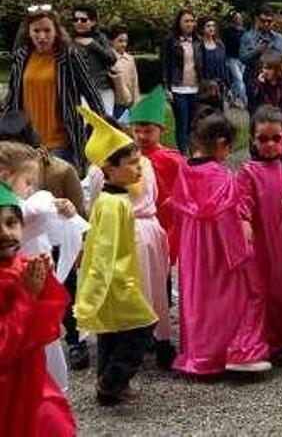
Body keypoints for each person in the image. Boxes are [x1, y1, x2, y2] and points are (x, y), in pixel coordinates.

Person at [172, 110, 271, 375]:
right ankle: (230, 352)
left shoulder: (184, 173)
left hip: (193, 249)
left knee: (198, 299)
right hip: (217, 250)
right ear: (220, 144)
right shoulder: (221, 177)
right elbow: (228, 221)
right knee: (227, 299)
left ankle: (198, 354)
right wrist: (243, 254)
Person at [74, 106, 157, 405]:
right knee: (143, 325)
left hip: (118, 280)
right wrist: (97, 289)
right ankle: (113, 380)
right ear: (109, 167)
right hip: (118, 282)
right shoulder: (112, 204)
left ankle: (107, 386)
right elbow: (105, 250)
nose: (138, 169)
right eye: (132, 164)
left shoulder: (115, 198)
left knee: (111, 330)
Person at [81, 114, 175, 371]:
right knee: (153, 291)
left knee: (133, 294)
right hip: (147, 230)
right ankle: (156, 344)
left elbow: (92, 209)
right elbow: (154, 196)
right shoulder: (142, 163)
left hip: (133, 234)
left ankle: (123, 354)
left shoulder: (100, 173)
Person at [0, 182, 77, 436]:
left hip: (31, 380)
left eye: (11, 223)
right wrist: (29, 295)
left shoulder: (22, 266)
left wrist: (45, 285)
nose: (5, 233)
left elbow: (45, 330)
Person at [238, 106, 282, 356]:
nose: (269, 145)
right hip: (265, 239)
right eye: (263, 139)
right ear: (252, 140)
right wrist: (244, 221)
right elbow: (243, 200)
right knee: (270, 286)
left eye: (276, 139)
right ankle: (273, 336)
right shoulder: (249, 171)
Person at [3, 5, 104, 171]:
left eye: (47, 30)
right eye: (36, 31)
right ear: (28, 32)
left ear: (56, 30)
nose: (42, 36)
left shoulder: (70, 56)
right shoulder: (21, 57)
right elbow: (12, 98)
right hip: (27, 146)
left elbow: (91, 93)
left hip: (61, 145)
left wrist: (103, 127)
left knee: (60, 195)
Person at [127, 87, 185, 267]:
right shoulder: (125, 159)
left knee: (161, 271)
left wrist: (174, 201)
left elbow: (186, 191)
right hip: (135, 226)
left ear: (162, 130)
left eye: (148, 131)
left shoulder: (174, 160)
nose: (142, 136)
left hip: (165, 225)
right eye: (137, 131)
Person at [160, 9, 203, 154]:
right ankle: (183, 154)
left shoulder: (198, 40)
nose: (189, 24)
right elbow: (165, 65)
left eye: (192, 21)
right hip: (178, 88)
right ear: (179, 22)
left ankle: (193, 153)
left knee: (194, 123)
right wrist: (166, 88)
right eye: (186, 21)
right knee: (182, 123)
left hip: (195, 88)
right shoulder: (170, 40)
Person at [71, 4, 117, 116]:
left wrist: (92, 44)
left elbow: (112, 58)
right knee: (85, 124)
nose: (79, 23)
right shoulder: (69, 40)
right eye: (75, 19)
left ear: (93, 22)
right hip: (81, 91)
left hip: (103, 88)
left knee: (106, 122)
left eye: (83, 20)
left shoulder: (100, 37)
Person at [240, 5, 282, 104]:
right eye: (263, 21)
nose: (266, 24)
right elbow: (243, 58)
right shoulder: (248, 37)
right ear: (257, 19)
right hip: (254, 82)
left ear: (273, 21)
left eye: (269, 21)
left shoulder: (280, 39)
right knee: (255, 114)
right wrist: (258, 50)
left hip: (276, 84)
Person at [251, 52, 282, 126]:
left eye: (269, 68)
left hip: (281, 121)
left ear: (277, 70)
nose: (266, 72)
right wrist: (260, 85)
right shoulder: (258, 84)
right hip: (265, 121)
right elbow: (255, 104)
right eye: (264, 68)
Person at [107, 24, 139, 121]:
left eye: (125, 41)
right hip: (113, 104)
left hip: (128, 104)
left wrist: (136, 102)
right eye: (120, 41)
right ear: (112, 41)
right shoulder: (108, 58)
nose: (124, 44)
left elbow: (135, 82)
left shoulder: (130, 59)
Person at [198, 17, 230, 105]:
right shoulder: (199, 47)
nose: (211, 28)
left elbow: (224, 66)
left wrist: (228, 86)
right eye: (208, 26)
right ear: (202, 29)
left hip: (220, 85)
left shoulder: (220, 45)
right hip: (206, 86)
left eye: (213, 26)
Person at [222, 9, 247, 107]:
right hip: (232, 59)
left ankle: (232, 99)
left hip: (243, 59)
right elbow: (224, 44)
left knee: (237, 82)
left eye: (240, 18)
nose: (239, 19)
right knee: (239, 79)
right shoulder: (228, 30)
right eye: (236, 18)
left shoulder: (244, 31)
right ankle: (246, 101)